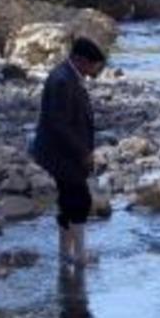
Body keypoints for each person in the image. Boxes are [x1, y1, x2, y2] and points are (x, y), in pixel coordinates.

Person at [32, 37, 105, 265]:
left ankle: (66, 254)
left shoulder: (67, 75)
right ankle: (79, 255)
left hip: (61, 150)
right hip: (60, 152)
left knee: (67, 201)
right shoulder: (63, 80)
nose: (95, 71)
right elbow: (59, 124)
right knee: (80, 200)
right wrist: (83, 152)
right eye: (93, 65)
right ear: (81, 60)